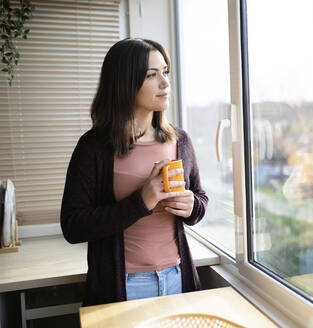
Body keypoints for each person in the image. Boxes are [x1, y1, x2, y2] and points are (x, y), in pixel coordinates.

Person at [60, 38, 207, 306]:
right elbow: (73, 226)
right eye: (152, 75)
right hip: (123, 287)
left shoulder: (180, 140)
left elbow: (200, 198)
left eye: (165, 72)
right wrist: (141, 202)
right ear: (124, 83)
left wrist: (191, 206)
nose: (164, 83)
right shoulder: (94, 147)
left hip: (177, 280)